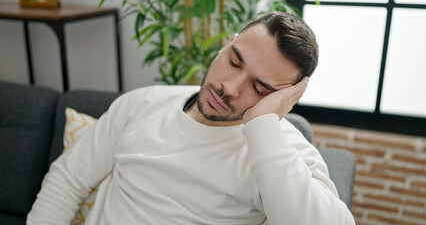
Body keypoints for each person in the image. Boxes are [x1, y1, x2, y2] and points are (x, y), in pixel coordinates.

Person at [27, 12, 355, 224]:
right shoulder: (144, 103)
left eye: (258, 87)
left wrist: (265, 128)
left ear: (286, 98)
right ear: (227, 45)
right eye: (234, 61)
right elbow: (68, 180)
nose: (229, 87)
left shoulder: (278, 152)